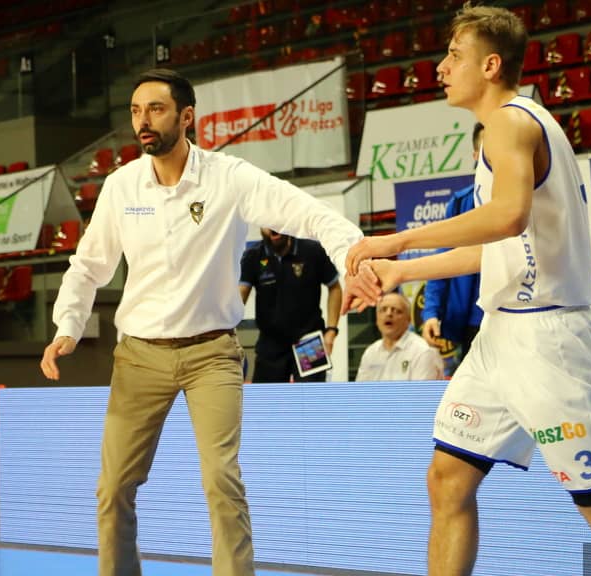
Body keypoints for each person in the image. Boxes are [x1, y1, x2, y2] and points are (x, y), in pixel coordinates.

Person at [341, 6, 591, 575]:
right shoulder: (510, 128)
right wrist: (404, 271)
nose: (440, 67)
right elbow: (502, 245)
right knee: (448, 479)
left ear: (491, 65)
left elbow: (507, 216)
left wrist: (400, 238)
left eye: (454, 55)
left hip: (547, 340)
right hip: (501, 335)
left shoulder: (510, 122)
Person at [40, 68, 362, 576]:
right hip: (139, 356)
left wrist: (354, 258)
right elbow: (88, 266)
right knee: (114, 487)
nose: (143, 122)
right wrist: (67, 327)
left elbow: (307, 213)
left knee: (220, 480)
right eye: (135, 111)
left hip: (212, 353)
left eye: (155, 109)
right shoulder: (121, 186)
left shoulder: (229, 177)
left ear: (186, 116)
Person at [239, 228, 342, 382]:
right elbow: (240, 295)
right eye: (267, 223)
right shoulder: (253, 255)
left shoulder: (312, 251)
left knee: (311, 395)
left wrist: (331, 330)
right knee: (267, 396)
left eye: (276, 222)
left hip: (309, 341)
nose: (272, 227)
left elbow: (335, 288)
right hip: (271, 343)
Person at [420, 123, 485, 361]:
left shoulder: (528, 198)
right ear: (475, 155)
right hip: (472, 322)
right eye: (487, 148)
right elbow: (443, 259)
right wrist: (431, 312)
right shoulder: (460, 204)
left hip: (517, 317)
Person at [355, 292, 444, 382]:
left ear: (408, 320)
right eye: (383, 309)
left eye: (396, 310)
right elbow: (360, 389)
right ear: (377, 318)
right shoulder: (371, 352)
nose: (389, 314)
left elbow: (422, 391)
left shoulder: (423, 351)